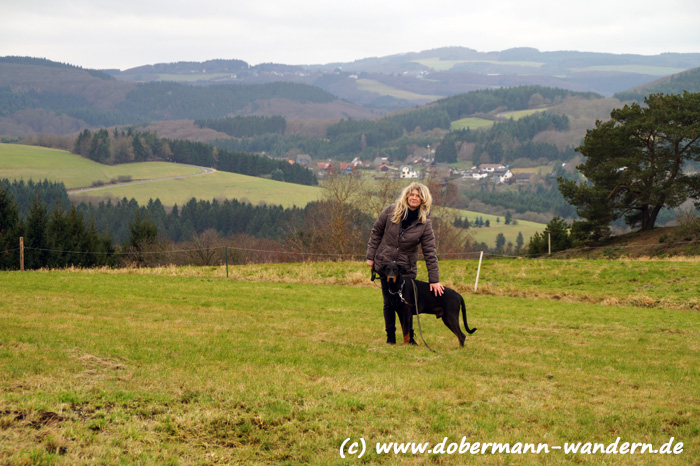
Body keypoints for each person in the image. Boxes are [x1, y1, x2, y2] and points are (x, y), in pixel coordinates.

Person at [366, 182, 444, 344]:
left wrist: (434, 280)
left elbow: (430, 252)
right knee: (388, 303)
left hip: (406, 270)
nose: (414, 198)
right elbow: (376, 233)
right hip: (385, 265)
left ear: (423, 200)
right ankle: (390, 338)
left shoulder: (425, 223)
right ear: (407, 196)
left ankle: (409, 338)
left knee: (406, 304)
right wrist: (370, 256)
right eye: (412, 194)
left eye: (418, 196)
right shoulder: (390, 211)